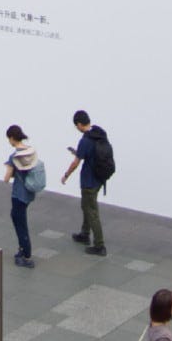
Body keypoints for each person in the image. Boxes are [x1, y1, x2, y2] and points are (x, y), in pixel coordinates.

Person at [61, 110, 109, 257]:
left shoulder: (85, 141)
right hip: (100, 179)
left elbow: (76, 163)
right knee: (86, 206)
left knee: (91, 211)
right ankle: (84, 233)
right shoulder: (99, 133)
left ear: (80, 124)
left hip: (89, 181)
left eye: (76, 126)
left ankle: (99, 245)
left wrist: (66, 175)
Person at [2, 124, 40, 268]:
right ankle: (23, 250)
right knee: (18, 217)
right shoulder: (30, 152)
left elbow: (6, 179)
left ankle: (26, 254)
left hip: (18, 193)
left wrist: (9, 170)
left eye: (9, 139)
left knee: (20, 223)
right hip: (29, 192)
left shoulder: (14, 157)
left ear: (12, 138)